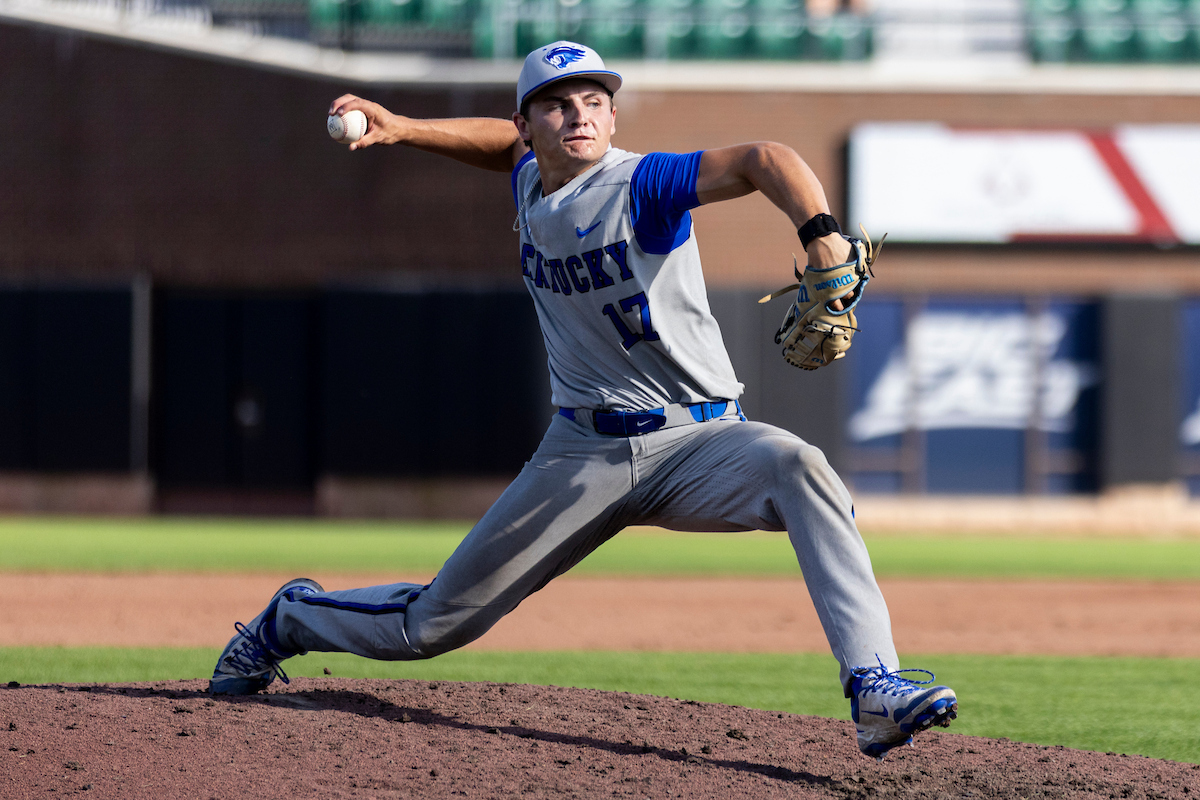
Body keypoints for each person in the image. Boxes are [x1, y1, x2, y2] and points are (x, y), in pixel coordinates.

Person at [209, 41, 957, 760]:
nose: (579, 116)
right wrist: (403, 128)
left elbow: (765, 159)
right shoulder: (530, 179)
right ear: (528, 125)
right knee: (432, 625)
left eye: (594, 101)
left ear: (613, 115)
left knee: (800, 466)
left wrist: (821, 233)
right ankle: (289, 620)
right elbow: (499, 149)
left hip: (700, 442)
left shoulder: (642, 185)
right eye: (557, 105)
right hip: (582, 455)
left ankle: (874, 686)